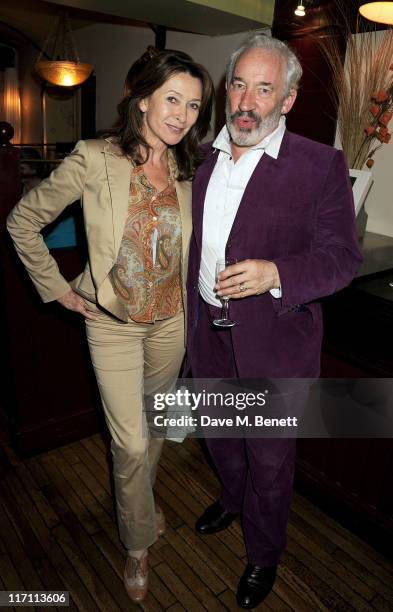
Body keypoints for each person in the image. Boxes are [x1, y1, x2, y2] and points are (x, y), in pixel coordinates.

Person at [7, 49, 214, 603]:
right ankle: (137, 543)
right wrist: (57, 289)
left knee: (151, 431)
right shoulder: (96, 157)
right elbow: (22, 220)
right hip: (114, 325)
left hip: (171, 322)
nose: (182, 114)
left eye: (193, 105)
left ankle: (139, 505)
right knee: (128, 442)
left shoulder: (187, 168)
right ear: (143, 99)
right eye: (172, 99)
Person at [186, 32, 362, 609]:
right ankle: (231, 499)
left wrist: (275, 273)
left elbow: (342, 258)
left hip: (276, 345)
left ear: (287, 100)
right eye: (239, 84)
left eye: (264, 89)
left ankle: (263, 554)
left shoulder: (320, 165)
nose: (246, 101)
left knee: (268, 458)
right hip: (206, 337)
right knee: (221, 438)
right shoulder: (201, 157)